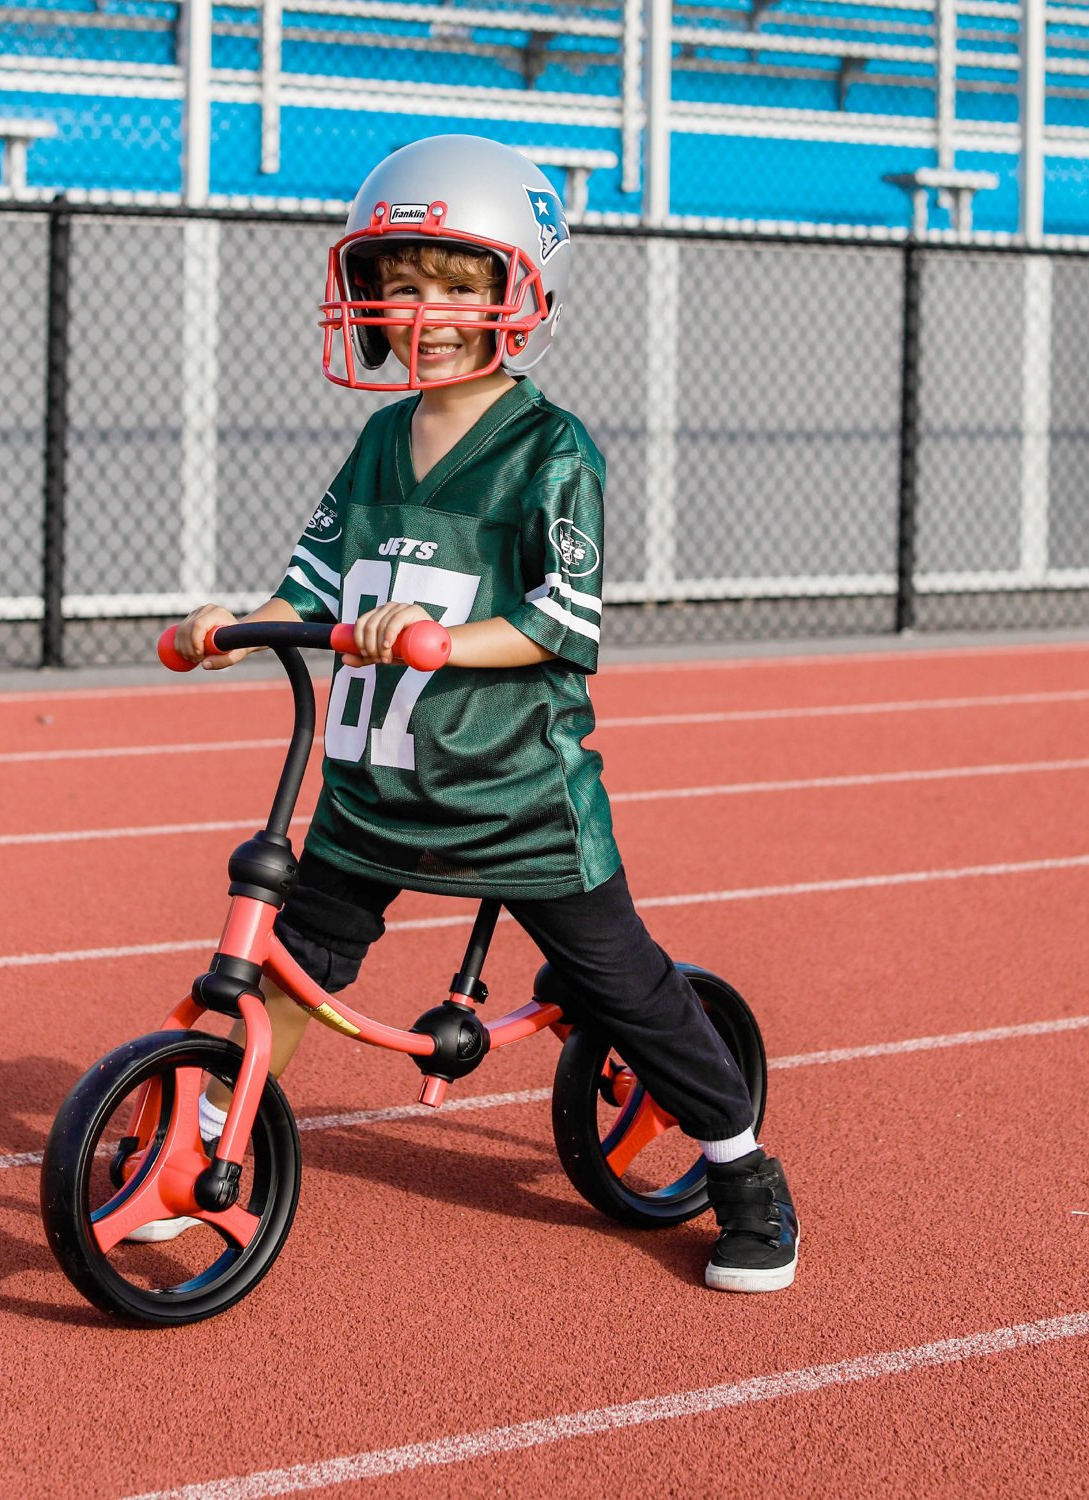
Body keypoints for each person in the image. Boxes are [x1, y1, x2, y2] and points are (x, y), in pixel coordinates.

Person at [155, 134, 799, 1292]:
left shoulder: (550, 450)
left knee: (621, 983)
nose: (426, 311)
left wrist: (444, 640)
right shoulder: (379, 438)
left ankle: (743, 1164)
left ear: (516, 292)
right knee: (296, 960)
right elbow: (310, 576)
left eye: (458, 283)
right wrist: (231, 623)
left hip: (514, 799)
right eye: (400, 284)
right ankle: (207, 1141)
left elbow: (565, 621)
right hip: (373, 784)